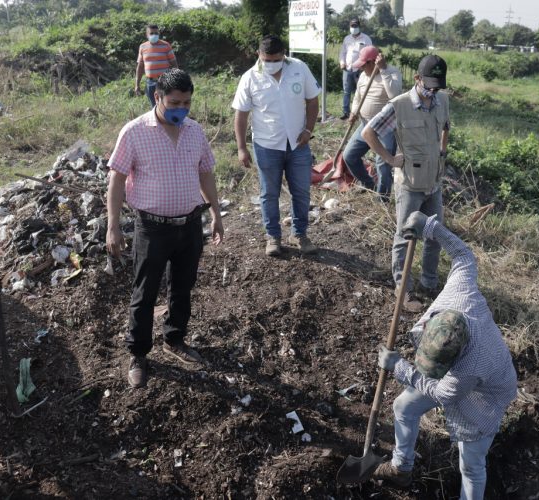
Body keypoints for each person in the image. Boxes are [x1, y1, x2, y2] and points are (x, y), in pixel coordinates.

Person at [374, 210, 518, 498]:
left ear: (456, 358)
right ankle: (401, 468)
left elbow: (443, 393)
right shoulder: (460, 290)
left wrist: (399, 367)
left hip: (487, 394)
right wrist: (429, 226)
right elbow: (463, 254)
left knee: (471, 465)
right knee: (404, 406)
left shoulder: (472, 364)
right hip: (461, 377)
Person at [107, 69, 223, 389]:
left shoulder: (195, 131)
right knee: (144, 292)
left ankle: (175, 339)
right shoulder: (134, 132)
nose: (181, 109)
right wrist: (113, 226)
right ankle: (139, 353)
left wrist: (215, 212)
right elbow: (116, 180)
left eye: (186, 103)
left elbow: (206, 173)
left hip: (190, 225)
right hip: (152, 228)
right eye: (174, 103)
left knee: (182, 287)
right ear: (157, 97)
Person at [362, 55, 450, 313]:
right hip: (410, 183)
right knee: (405, 236)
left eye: (438, 86)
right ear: (417, 79)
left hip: (433, 182)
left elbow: (446, 126)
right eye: (429, 85)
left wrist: (442, 151)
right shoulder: (399, 106)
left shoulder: (443, 100)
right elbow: (369, 132)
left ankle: (429, 283)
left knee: (435, 234)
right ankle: (404, 290)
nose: (433, 91)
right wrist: (390, 159)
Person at [232, 35, 320, 257]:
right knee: (269, 193)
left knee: (301, 192)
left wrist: (308, 130)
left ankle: (299, 234)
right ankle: (273, 236)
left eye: (276, 60)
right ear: (259, 55)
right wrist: (241, 148)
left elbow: (312, 100)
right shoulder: (249, 78)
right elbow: (241, 114)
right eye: (266, 60)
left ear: (284, 55)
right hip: (267, 145)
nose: (271, 64)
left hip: (298, 144)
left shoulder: (299, 68)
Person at [342, 46, 402, 201]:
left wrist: (383, 70)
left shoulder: (392, 72)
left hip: (385, 127)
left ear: (372, 62)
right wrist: (354, 112)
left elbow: (395, 95)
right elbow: (358, 97)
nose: (361, 68)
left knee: (383, 162)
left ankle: (382, 197)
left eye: (363, 65)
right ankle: (368, 184)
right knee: (349, 156)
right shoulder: (363, 75)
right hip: (365, 124)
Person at [134, 24, 178, 108]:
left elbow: (174, 63)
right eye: (151, 33)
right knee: (154, 107)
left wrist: (176, 79)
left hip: (165, 81)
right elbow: (140, 67)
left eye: (156, 33)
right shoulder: (142, 47)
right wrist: (137, 85)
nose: (154, 35)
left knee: (166, 106)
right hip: (150, 83)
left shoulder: (166, 45)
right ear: (147, 35)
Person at [339, 18, 372, 120]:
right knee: (346, 92)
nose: (354, 28)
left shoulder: (366, 39)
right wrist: (342, 63)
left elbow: (370, 53)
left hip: (361, 70)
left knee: (362, 91)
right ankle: (346, 112)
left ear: (359, 26)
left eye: (355, 26)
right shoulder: (347, 39)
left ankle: (362, 113)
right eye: (352, 26)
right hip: (348, 69)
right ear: (350, 27)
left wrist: (365, 67)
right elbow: (342, 53)